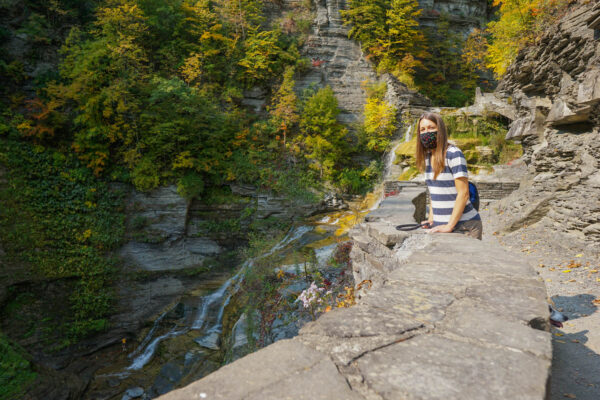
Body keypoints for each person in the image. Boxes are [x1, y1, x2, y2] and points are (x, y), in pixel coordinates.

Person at [415, 112, 482, 240]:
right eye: (422, 129)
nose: (426, 132)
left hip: (464, 226)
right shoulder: (427, 157)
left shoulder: (453, 154)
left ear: (440, 129)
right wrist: (431, 219)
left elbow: (463, 193)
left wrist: (449, 226)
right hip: (440, 225)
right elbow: (435, 193)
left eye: (431, 128)